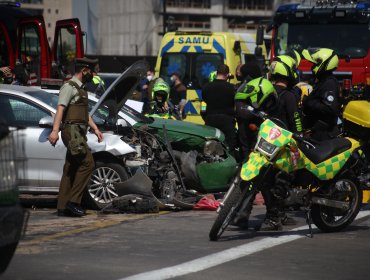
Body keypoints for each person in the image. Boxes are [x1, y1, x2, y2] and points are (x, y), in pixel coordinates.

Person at [48, 57, 104, 217]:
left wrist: (95, 129)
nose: (93, 75)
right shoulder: (69, 87)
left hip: (79, 132)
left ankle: (63, 206)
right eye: (92, 72)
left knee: (71, 167)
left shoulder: (81, 89)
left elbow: (85, 115)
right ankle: (74, 202)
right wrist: (55, 131)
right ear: (84, 70)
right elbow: (60, 109)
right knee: (88, 163)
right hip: (71, 132)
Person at [301, 48, 340, 140]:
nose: (312, 67)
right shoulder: (323, 81)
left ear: (325, 64)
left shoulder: (329, 84)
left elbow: (329, 108)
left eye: (315, 64)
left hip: (324, 135)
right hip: (317, 131)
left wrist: (309, 102)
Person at [202, 64, 237, 152]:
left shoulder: (206, 87)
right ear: (227, 74)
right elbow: (234, 103)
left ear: (217, 73)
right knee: (228, 147)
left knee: (209, 146)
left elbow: (205, 99)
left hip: (210, 119)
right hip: (227, 121)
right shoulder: (231, 88)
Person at [234, 61, 263, 160]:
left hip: (246, 122)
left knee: (246, 148)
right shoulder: (259, 86)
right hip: (252, 122)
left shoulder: (243, 87)